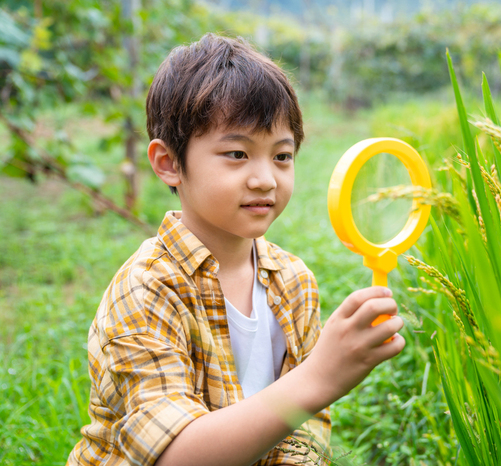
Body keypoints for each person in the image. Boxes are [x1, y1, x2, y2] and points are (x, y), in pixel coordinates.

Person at [66, 33, 405, 466]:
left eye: (282, 156)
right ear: (169, 163)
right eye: (237, 153)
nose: (265, 178)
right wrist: (320, 375)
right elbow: (173, 457)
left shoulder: (294, 282)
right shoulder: (146, 290)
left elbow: (305, 433)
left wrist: (315, 388)